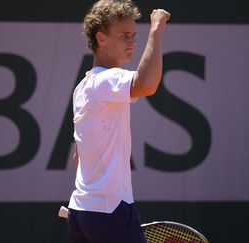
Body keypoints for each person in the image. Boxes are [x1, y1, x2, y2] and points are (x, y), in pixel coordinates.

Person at [67, 0, 170, 242]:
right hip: (110, 210)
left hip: (81, 212)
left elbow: (78, 156)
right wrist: (156, 31)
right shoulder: (106, 80)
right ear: (101, 38)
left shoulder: (82, 87)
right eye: (125, 35)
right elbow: (146, 84)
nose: (132, 41)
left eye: (134, 35)